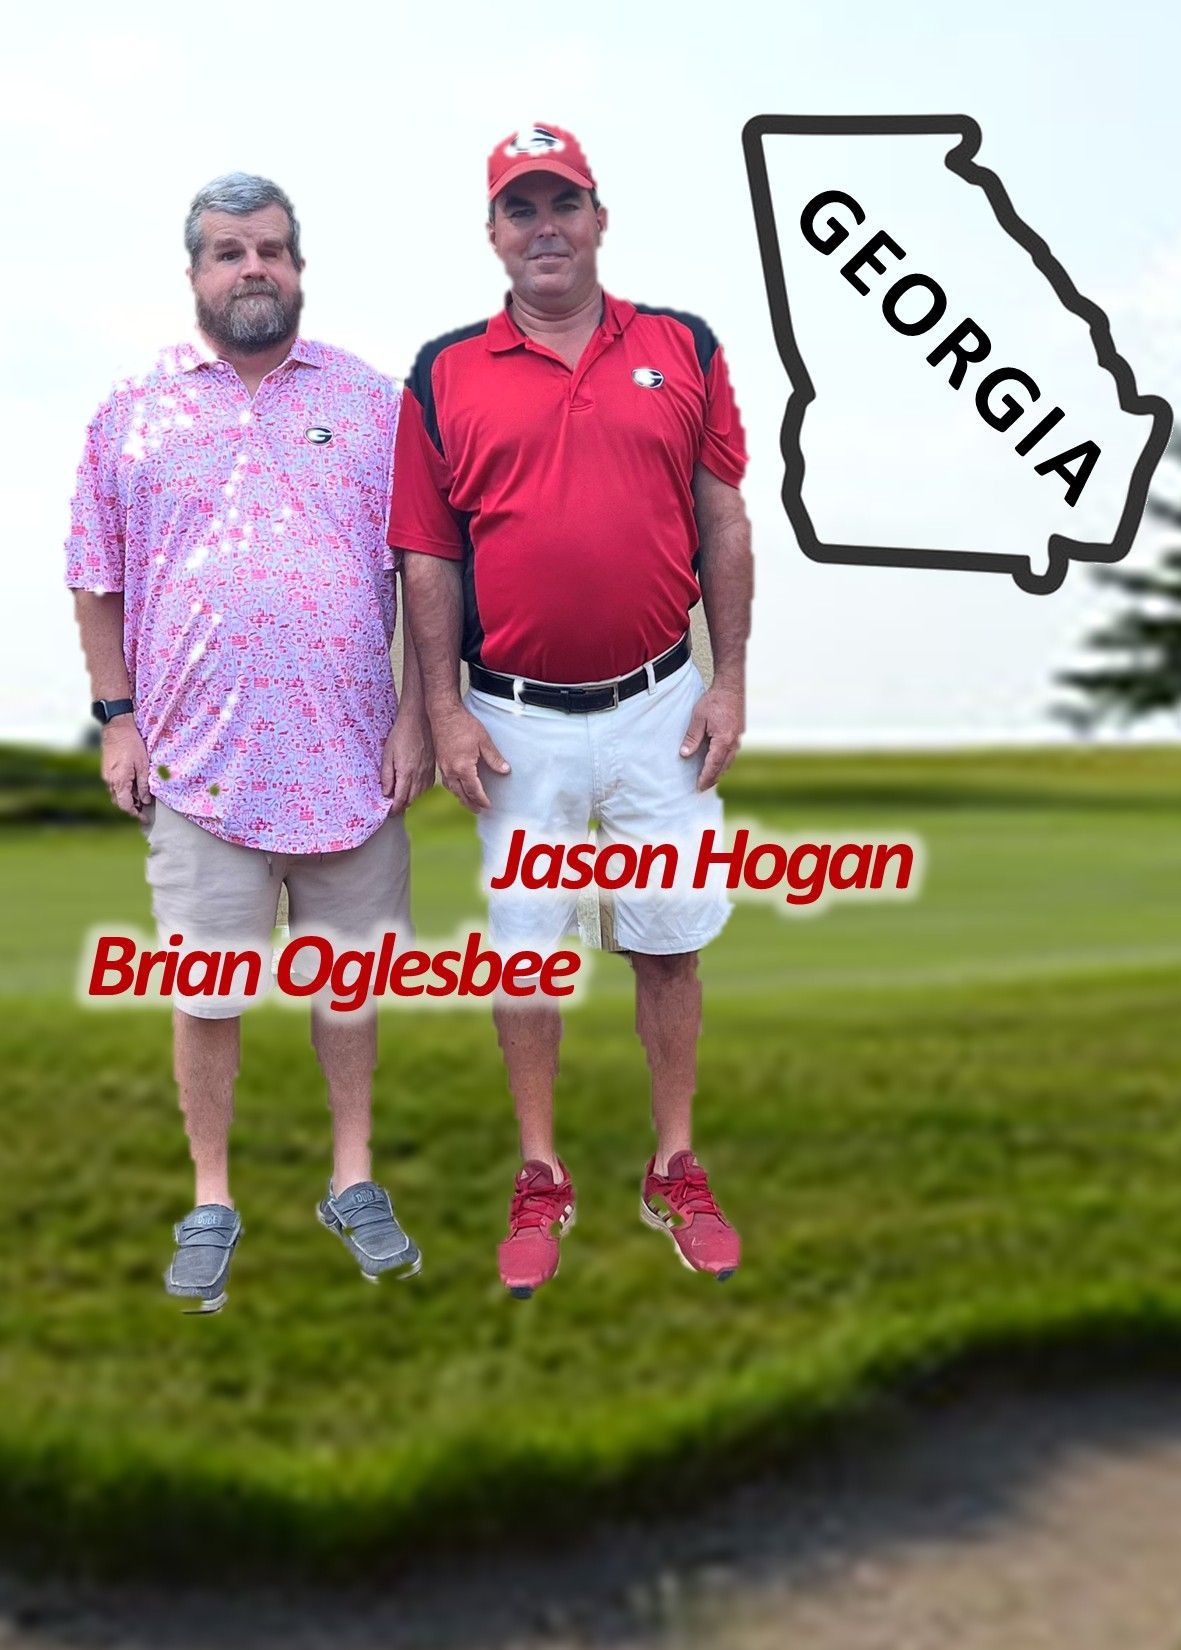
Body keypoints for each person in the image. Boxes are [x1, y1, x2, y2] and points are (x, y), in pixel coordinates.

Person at [390, 125, 753, 1297]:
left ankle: (673, 1163)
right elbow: (429, 558)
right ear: (493, 234)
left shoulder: (682, 345)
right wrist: (439, 708)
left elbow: (724, 522)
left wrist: (732, 676)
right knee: (532, 954)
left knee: (670, 943)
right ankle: (541, 1171)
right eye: (519, 209)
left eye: (563, 204)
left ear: (601, 217)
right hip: (516, 717)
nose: (543, 227)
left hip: (662, 703)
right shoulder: (444, 371)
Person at [66, 173, 431, 1312]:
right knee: (208, 996)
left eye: (271, 249)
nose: (253, 268)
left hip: (352, 767)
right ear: (195, 275)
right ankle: (213, 1197)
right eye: (229, 253)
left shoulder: (375, 405)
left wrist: (422, 711)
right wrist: (118, 720)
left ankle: (352, 1178)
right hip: (197, 769)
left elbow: (427, 575)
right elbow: (95, 581)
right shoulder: (131, 412)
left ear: (301, 266)